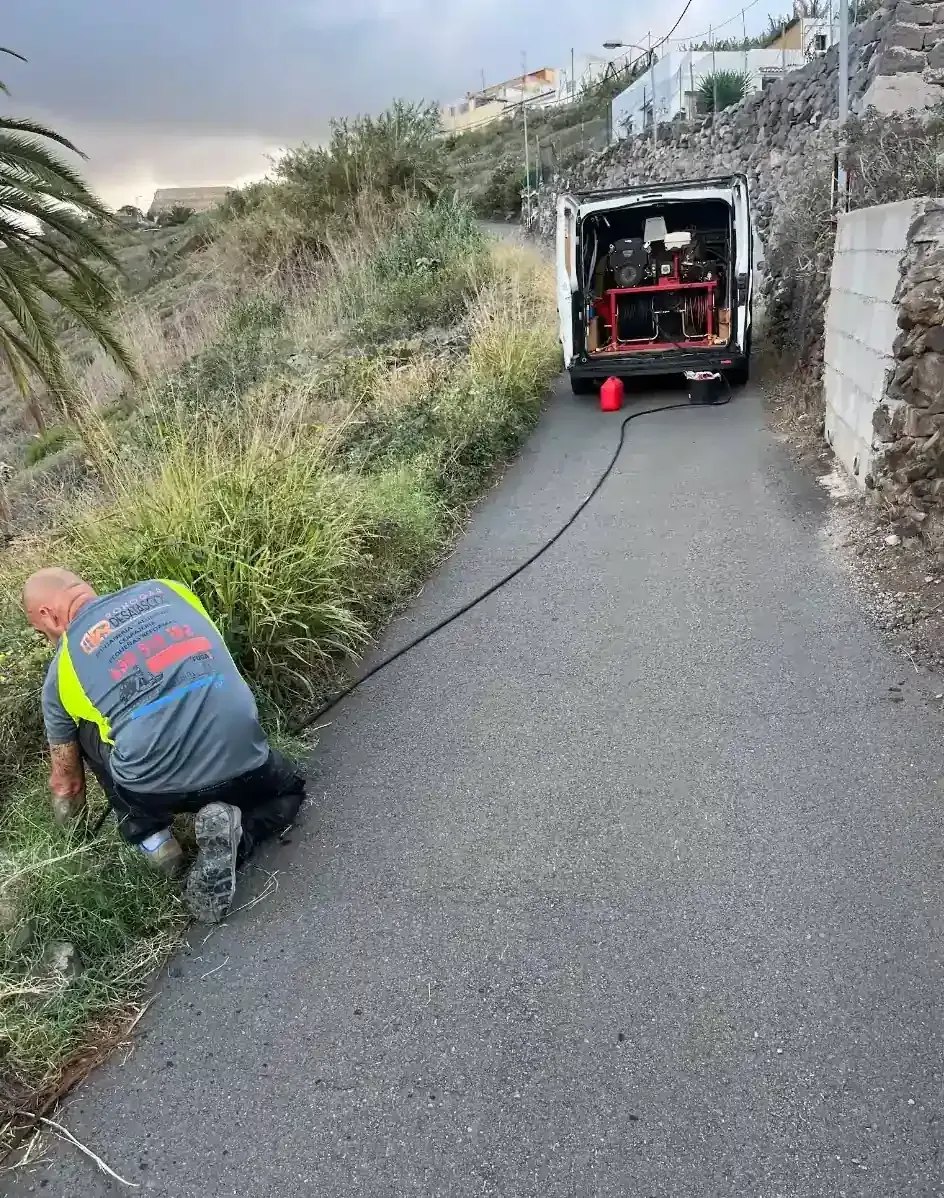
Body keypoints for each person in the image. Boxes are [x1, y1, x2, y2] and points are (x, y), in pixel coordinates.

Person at [22, 568, 306, 922]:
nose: (46, 637)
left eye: (40, 630)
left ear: (48, 615)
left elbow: (68, 782)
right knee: (289, 792)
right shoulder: (170, 590)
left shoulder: (64, 664)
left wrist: (70, 846)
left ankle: (156, 842)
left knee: (84, 729)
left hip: (155, 790)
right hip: (243, 761)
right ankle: (240, 833)